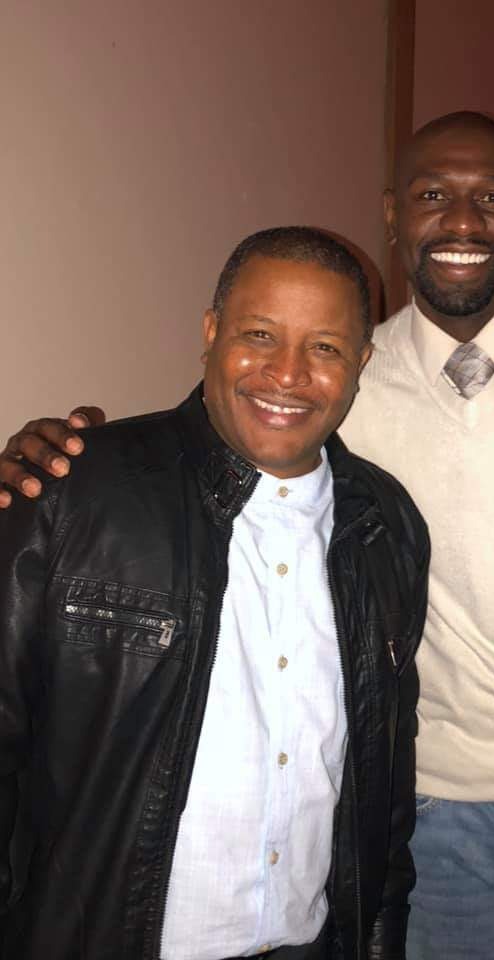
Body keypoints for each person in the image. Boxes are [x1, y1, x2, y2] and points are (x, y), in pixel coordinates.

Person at [3, 111, 494, 959]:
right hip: (433, 818)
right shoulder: (346, 373)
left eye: (492, 198)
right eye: (433, 195)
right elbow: (224, 432)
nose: (462, 221)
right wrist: (66, 460)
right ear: (393, 213)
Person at [0, 226, 430, 959]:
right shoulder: (78, 492)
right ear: (210, 333)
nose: (287, 373)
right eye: (259, 335)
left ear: (360, 363)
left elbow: (383, 788)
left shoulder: (386, 526)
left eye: (325, 347)